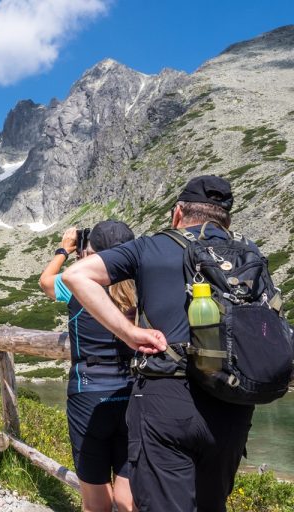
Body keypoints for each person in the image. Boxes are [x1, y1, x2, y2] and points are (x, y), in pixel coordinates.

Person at [63, 176, 255, 511]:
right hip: (233, 400)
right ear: (227, 219)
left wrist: (129, 333)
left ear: (178, 213)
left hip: (167, 399)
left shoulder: (151, 247)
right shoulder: (248, 252)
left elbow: (75, 276)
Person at [39, 221, 137, 512]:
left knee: (96, 501)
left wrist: (65, 249)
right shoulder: (142, 285)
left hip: (89, 394)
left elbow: (46, 282)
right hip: (133, 392)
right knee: (128, 497)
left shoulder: (78, 285)